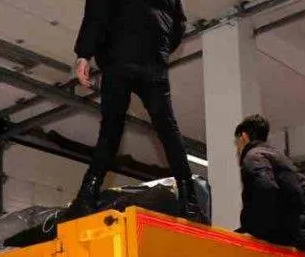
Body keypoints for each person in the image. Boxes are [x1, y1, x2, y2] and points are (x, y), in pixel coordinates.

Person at [67, 0, 205, 222]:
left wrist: (84, 53)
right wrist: (159, 47)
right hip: (154, 61)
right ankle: (190, 201)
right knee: (168, 130)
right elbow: (179, 22)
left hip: (118, 55)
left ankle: (87, 195)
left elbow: (97, 11)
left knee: (111, 130)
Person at [234, 114, 305, 257]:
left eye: (237, 143)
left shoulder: (253, 156)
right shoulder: (278, 157)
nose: (237, 149)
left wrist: (254, 228)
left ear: (243, 137)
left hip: (299, 232)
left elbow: (266, 188)